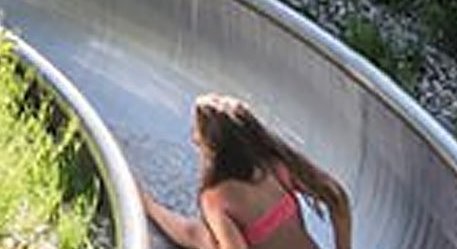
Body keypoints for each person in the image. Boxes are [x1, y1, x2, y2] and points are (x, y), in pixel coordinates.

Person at [139, 92, 352, 249]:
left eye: (197, 134)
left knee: (204, 238)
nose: (194, 139)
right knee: (204, 237)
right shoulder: (275, 167)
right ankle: (149, 205)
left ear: (211, 147)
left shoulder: (216, 198)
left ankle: (148, 204)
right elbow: (336, 196)